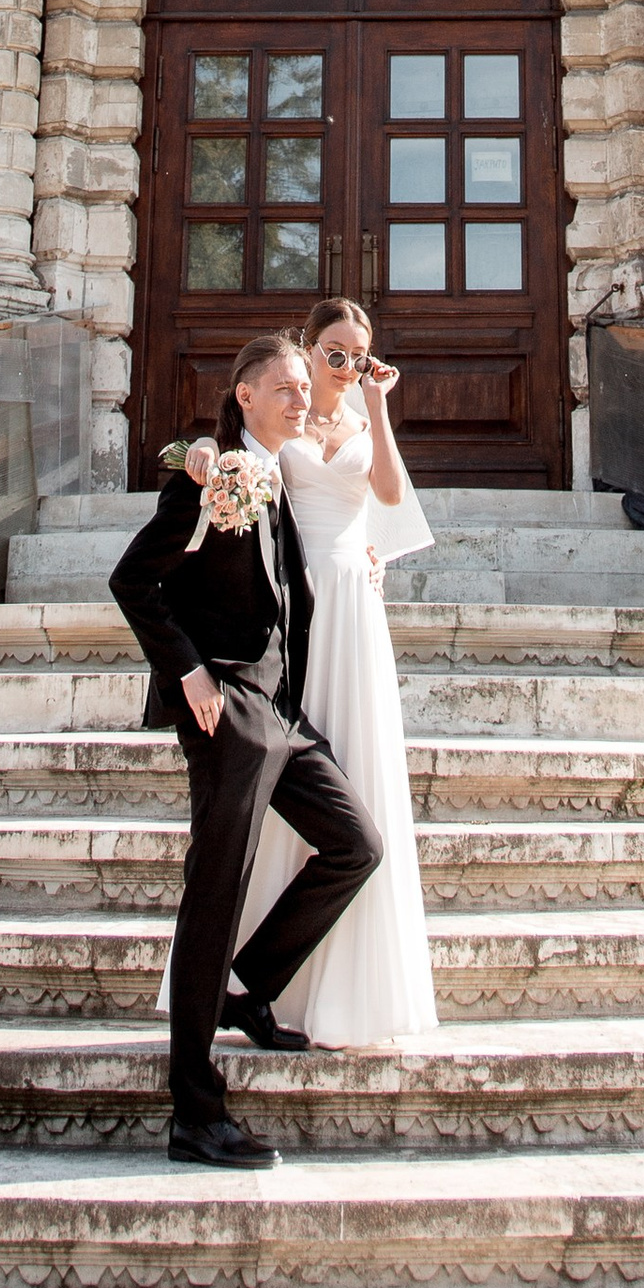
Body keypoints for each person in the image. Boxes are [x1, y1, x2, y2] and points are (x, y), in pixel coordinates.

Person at [106, 330, 383, 1166]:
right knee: (214, 896)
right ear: (246, 397)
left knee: (356, 845)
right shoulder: (210, 475)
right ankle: (195, 1113)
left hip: (283, 713)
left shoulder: (279, 471)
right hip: (229, 710)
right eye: (286, 388)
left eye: (306, 386)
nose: (303, 399)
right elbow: (132, 581)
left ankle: (250, 987)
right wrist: (187, 672)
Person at [224, 297, 439, 1039]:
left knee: (357, 768)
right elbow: (237, 476)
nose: (346, 366)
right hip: (290, 602)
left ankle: (336, 989)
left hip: (351, 603)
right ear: (308, 350)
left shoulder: (361, 420)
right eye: (335, 353)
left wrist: (377, 405)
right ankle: (247, 979)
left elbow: (388, 494)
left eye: (358, 355)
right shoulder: (279, 421)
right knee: (286, 775)